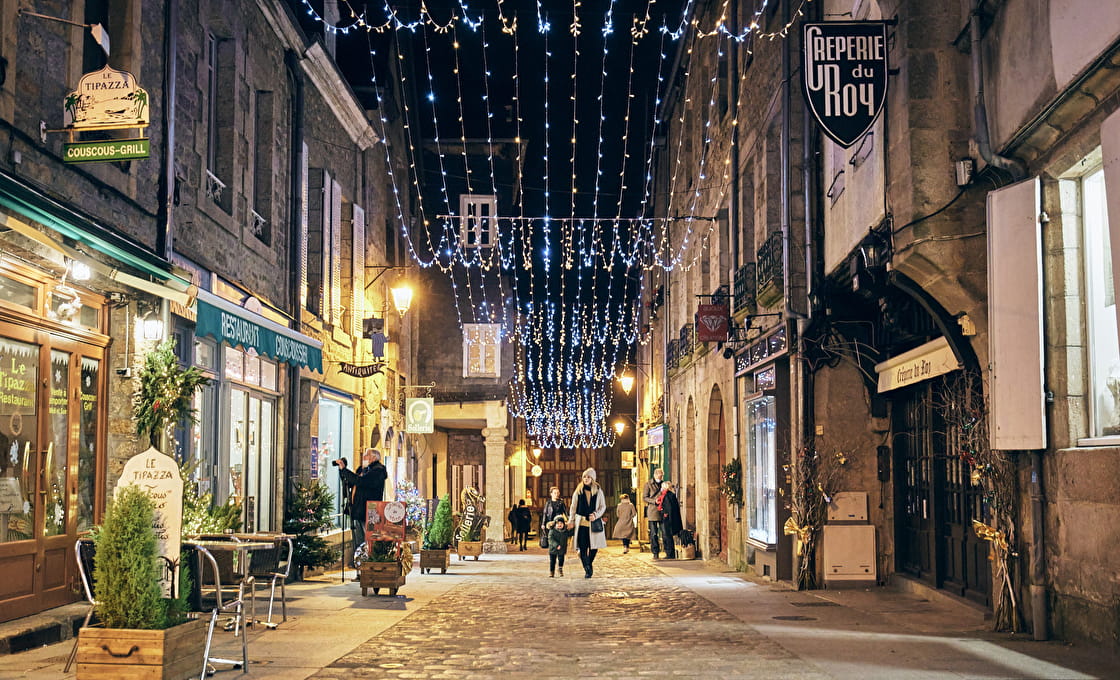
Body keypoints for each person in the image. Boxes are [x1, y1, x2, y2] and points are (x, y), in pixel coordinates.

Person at [337, 448, 388, 549]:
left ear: (373, 458)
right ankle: (359, 559)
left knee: (369, 538)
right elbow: (352, 482)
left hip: (369, 510)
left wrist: (345, 470)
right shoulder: (363, 470)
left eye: (367, 455)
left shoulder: (378, 470)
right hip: (358, 509)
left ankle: (368, 559)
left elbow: (361, 481)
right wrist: (342, 471)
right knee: (359, 539)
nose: (363, 457)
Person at [569, 467, 607, 578]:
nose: (586, 479)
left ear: (592, 478)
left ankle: (588, 564)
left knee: (594, 548)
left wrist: (595, 515)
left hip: (593, 523)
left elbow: (602, 506)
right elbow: (573, 507)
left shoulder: (598, 490)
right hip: (581, 523)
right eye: (584, 477)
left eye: (588, 477)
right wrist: (571, 520)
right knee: (582, 547)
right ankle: (587, 569)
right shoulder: (578, 490)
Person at [642, 467, 666, 558]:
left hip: (663, 511)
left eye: (662, 475)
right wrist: (654, 501)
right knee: (654, 533)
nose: (661, 477)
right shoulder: (648, 484)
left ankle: (667, 551)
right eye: (660, 475)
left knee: (665, 532)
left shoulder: (664, 484)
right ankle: (655, 552)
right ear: (655, 475)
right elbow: (644, 497)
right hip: (653, 511)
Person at [657, 481, 682, 559]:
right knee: (667, 536)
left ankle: (669, 553)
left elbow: (668, 507)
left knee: (667, 536)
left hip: (667, 519)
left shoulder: (667, 495)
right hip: (670, 518)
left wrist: (665, 514)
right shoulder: (670, 495)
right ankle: (669, 553)